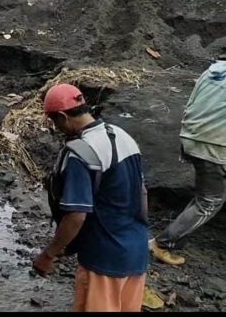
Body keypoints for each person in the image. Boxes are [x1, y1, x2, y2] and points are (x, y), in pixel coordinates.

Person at [33, 84, 148, 312]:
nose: (57, 129)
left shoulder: (81, 153)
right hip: (136, 254)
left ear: (63, 117)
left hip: (103, 259)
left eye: (56, 122)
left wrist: (48, 255)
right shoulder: (124, 137)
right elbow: (142, 193)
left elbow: (76, 215)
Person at [149, 56, 226, 266]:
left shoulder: (214, 70)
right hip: (213, 145)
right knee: (210, 201)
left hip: (191, 135)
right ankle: (162, 244)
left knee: (205, 195)